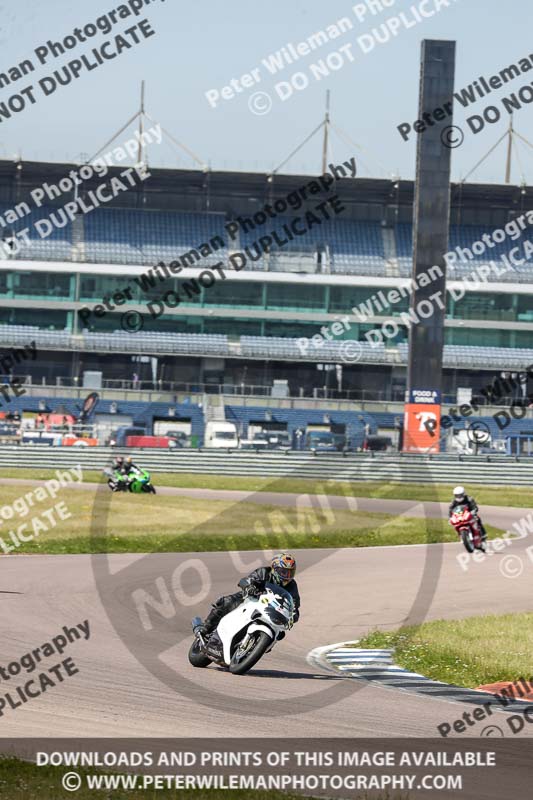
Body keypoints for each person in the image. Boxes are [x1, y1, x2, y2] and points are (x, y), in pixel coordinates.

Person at [197, 553, 300, 636]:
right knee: (226, 602)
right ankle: (206, 626)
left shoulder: (292, 585)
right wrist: (249, 586)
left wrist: (293, 616)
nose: (287, 576)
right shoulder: (264, 572)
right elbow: (246, 580)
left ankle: (258, 644)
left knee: (280, 634)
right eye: (283, 572)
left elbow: (294, 605)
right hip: (251, 598)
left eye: (291, 573)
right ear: (274, 569)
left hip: (271, 609)